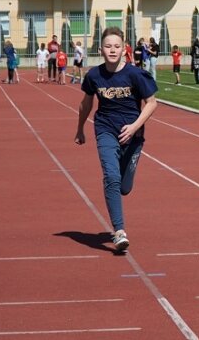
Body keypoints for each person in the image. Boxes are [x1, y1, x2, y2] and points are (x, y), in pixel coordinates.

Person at [74, 27, 158, 252]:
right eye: (108, 46)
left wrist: (134, 127)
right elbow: (86, 104)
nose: (112, 50)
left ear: (124, 49)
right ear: (101, 49)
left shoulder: (135, 74)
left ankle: (127, 171)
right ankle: (119, 231)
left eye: (117, 46)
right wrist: (80, 128)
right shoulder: (94, 76)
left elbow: (152, 103)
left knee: (124, 187)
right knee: (111, 177)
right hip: (105, 130)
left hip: (133, 136)